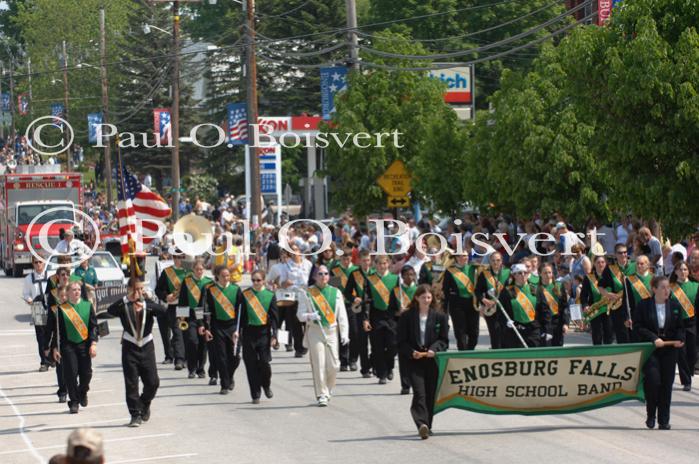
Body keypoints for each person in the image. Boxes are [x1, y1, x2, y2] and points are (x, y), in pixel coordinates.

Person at [107, 278, 168, 427]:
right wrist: (127, 299)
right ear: (129, 290)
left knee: (153, 382)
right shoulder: (125, 305)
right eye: (135, 289)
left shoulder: (148, 304)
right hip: (130, 345)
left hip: (147, 345)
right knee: (131, 383)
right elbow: (110, 310)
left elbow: (163, 311)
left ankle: (144, 402)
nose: (139, 292)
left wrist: (148, 303)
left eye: (141, 289)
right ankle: (135, 414)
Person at [397, 284, 449, 439]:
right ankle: (421, 424)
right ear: (416, 298)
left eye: (428, 297)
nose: (426, 300)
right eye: (423, 297)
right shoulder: (407, 316)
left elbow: (444, 340)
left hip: (432, 361)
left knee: (430, 394)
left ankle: (428, 425)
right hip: (414, 360)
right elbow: (401, 341)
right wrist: (411, 352)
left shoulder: (440, 316)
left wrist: (434, 349)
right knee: (419, 393)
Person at [633, 276, 685, 430]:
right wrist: (653, 338)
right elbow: (638, 326)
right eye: (663, 287)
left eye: (668, 287)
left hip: (669, 350)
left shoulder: (675, 306)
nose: (666, 290)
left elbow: (680, 327)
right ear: (654, 289)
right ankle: (651, 415)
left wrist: (680, 339)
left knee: (666, 385)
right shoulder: (644, 305)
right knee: (653, 382)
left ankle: (664, 420)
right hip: (651, 349)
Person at [297, 265, 349, 406]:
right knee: (319, 363)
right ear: (315, 276)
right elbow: (300, 315)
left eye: (326, 273)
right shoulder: (307, 293)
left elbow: (342, 315)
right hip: (315, 331)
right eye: (320, 273)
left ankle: (328, 389)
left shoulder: (336, 292)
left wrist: (344, 333)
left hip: (331, 331)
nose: (323, 276)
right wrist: (310, 316)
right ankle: (322, 394)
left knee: (334, 365)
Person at [49, 280, 98, 414]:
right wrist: (55, 347)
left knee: (86, 374)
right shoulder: (62, 309)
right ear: (68, 292)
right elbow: (57, 330)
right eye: (74, 290)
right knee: (70, 374)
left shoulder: (88, 306)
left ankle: (83, 392)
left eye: (78, 289)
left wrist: (93, 343)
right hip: (68, 345)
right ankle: (74, 402)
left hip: (84, 345)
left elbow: (93, 326)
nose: (77, 292)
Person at [236, 270, 278, 403]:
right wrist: (236, 331)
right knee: (251, 365)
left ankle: (266, 384)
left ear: (264, 281)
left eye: (258, 280)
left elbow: (275, 318)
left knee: (264, 363)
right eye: (253, 280)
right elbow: (239, 316)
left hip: (264, 333)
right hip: (248, 333)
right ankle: (255, 394)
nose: (255, 283)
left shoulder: (270, 295)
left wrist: (275, 335)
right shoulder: (245, 294)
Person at [204, 265, 242, 394]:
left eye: (228, 276)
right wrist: (206, 327)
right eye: (223, 276)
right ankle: (224, 384)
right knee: (221, 356)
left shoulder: (236, 290)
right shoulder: (211, 290)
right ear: (217, 277)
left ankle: (229, 376)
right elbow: (207, 311)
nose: (226, 278)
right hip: (218, 326)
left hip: (233, 327)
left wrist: (239, 328)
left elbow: (240, 310)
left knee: (235, 357)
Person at [363, 255, 400, 384]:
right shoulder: (370, 279)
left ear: (388, 264)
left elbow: (400, 297)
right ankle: (382, 373)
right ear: (375, 265)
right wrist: (366, 319)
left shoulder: (395, 279)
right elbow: (366, 300)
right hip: (376, 315)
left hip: (391, 316)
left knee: (392, 345)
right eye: (379, 264)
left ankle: (390, 366)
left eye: (384, 263)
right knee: (377, 346)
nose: (382, 266)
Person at [177, 259, 213, 379]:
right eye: (197, 269)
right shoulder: (187, 281)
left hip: (204, 315)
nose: (199, 271)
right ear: (193, 269)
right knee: (192, 342)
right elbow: (182, 301)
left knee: (203, 344)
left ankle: (201, 369)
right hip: (191, 315)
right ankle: (191, 368)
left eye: (201, 269)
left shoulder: (209, 282)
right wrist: (181, 318)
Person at [154, 252, 187, 370]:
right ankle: (179, 359)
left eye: (182, 257)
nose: (180, 259)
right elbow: (158, 289)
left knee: (184, 331)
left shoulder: (188, 271)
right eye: (178, 257)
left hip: (185, 307)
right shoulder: (167, 272)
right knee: (177, 331)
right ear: (173, 258)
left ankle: (185, 358)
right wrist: (166, 296)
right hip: (173, 306)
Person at [498, 263, 544, 348]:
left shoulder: (536, 289)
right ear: (514, 275)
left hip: (533, 330)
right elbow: (500, 311)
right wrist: (506, 322)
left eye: (525, 273)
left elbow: (544, 310)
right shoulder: (507, 291)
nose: (523, 275)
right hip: (515, 330)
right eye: (519, 273)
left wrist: (547, 330)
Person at [344, 249, 374, 378]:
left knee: (376, 341)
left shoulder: (375, 273)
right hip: (360, 310)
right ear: (359, 261)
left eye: (368, 260)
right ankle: (365, 368)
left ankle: (374, 363)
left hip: (374, 310)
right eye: (364, 260)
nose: (366, 263)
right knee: (361, 340)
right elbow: (347, 292)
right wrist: (353, 298)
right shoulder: (354, 274)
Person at [669, 261, 698, 391]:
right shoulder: (670, 287)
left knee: (692, 352)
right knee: (681, 352)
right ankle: (686, 381)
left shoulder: (696, 286)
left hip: (692, 322)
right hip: (676, 324)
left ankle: (689, 372)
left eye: (685, 269)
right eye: (680, 269)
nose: (683, 272)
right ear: (675, 272)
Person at [598, 244, 635, 343]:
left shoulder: (634, 266)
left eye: (625, 252)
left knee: (635, 336)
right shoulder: (610, 269)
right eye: (620, 253)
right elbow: (600, 286)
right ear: (615, 255)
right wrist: (608, 295)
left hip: (634, 305)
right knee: (622, 336)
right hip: (618, 307)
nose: (623, 255)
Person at [280, 243, 312, 357]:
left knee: (306, 322)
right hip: (292, 297)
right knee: (294, 323)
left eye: (296, 250)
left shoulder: (308, 264)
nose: (294, 252)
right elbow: (281, 283)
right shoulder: (285, 266)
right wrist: (285, 283)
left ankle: (305, 343)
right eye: (291, 250)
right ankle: (295, 346)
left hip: (306, 296)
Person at [442, 253, 479, 350]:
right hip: (457, 304)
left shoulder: (473, 268)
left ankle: (470, 351)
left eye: (466, 255)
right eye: (462, 256)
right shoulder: (450, 270)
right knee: (460, 332)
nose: (465, 258)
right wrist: (445, 307)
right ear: (457, 258)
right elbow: (446, 289)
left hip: (473, 303)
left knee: (474, 332)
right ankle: (462, 353)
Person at [330, 248, 358, 371]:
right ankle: (343, 360)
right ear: (340, 259)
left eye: (348, 259)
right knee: (342, 332)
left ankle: (353, 359)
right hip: (340, 305)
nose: (346, 261)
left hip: (353, 305)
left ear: (351, 258)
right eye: (344, 259)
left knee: (354, 332)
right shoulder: (336, 271)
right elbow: (333, 288)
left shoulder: (356, 270)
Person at [391, 265, 418, 394]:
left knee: (416, 355)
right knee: (403, 356)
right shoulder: (396, 291)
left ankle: (416, 381)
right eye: (407, 275)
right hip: (401, 326)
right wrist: (398, 312)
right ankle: (405, 385)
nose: (410, 277)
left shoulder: (418, 291)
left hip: (416, 326)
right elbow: (390, 311)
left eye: (412, 274)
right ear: (402, 276)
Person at [22, 256, 51, 371]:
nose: (38, 264)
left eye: (40, 262)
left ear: (44, 263)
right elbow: (25, 293)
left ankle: (51, 358)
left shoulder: (50, 276)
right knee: (40, 337)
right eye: (36, 262)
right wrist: (29, 300)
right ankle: (43, 362)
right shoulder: (29, 278)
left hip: (50, 307)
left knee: (52, 334)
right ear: (33, 264)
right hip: (37, 308)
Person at [475, 251, 509, 349]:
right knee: (494, 334)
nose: (495, 263)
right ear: (490, 261)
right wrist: (484, 300)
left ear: (501, 261)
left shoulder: (508, 272)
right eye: (493, 260)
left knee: (505, 334)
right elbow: (477, 291)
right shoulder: (484, 274)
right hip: (490, 309)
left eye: (498, 260)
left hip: (505, 309)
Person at [581, 255, 614, 345]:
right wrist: (585, 305)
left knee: (609, 333)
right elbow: (583, 295)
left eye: (603, 262)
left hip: (609, 308)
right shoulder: (589, 278)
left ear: (606, 263)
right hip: (595, 309)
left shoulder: (611, 276)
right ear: (594, 264)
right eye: (598, 262)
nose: (600, 264)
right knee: (597, 334)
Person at [537, 263, 569, 346]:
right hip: (544, 324)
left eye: (549, 272)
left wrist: (565, 323)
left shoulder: (558, 286)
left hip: (558, 323)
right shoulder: (537, 289)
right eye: (545, 273)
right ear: (540, 274)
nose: (548, 275)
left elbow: (565, 306)